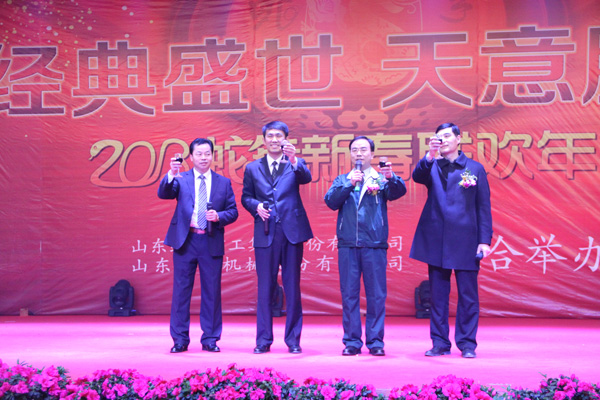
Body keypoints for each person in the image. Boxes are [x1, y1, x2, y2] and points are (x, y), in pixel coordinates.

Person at [409, 122, 493, 359]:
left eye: (447, 136)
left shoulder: (474, 168)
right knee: (437, 296)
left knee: (468, 296)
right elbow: (417, 176)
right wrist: (429, 155)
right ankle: (439, 343)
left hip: (467, 240)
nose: (443, 140)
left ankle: (467, 344)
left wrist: (484, 240)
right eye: (439, 137)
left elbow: (483, 207)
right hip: (436, 239)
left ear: (459, 139)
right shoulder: (432, 165)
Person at [324, 136, 407, 356]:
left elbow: (398, 192)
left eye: (363, 150)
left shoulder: (381, 179)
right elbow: (330, 202)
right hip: (348, 244)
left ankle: (376, 342)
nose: (359, 154)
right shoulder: (343, 179)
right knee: (349, 294)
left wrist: (392, 177)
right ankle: (352, 341)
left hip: (375, 244)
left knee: (376, 295)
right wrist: (349, 184)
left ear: (372, 154)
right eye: (354, 150)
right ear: (350, 154)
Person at [157, 138, 238, 354]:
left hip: (210, 240)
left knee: (212, 292)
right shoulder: (181, 179)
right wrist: (171, 174)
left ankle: (210, 338)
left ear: (212, 156)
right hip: (186, 240)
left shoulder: (223, 182)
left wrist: (218, 216)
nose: (204, 158)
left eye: (207, 153)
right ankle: (180, 339)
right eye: (199, 154)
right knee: (181, 291)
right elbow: (164, 193)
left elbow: (233, 211)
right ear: (191, 157)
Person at [241, 120, 313, 354]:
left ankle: (293, 340)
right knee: (265, 287)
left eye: (279, 136)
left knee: (292, 287)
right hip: (265, 231)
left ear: (285, 139)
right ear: (263, 140)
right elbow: (245, 197)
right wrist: (256, 206)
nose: (274, 140)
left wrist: (293, 160)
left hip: (292, 232)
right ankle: (263, 340)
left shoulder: (295, 163)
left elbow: (306, 178)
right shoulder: (253, 168)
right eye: (270, 136)